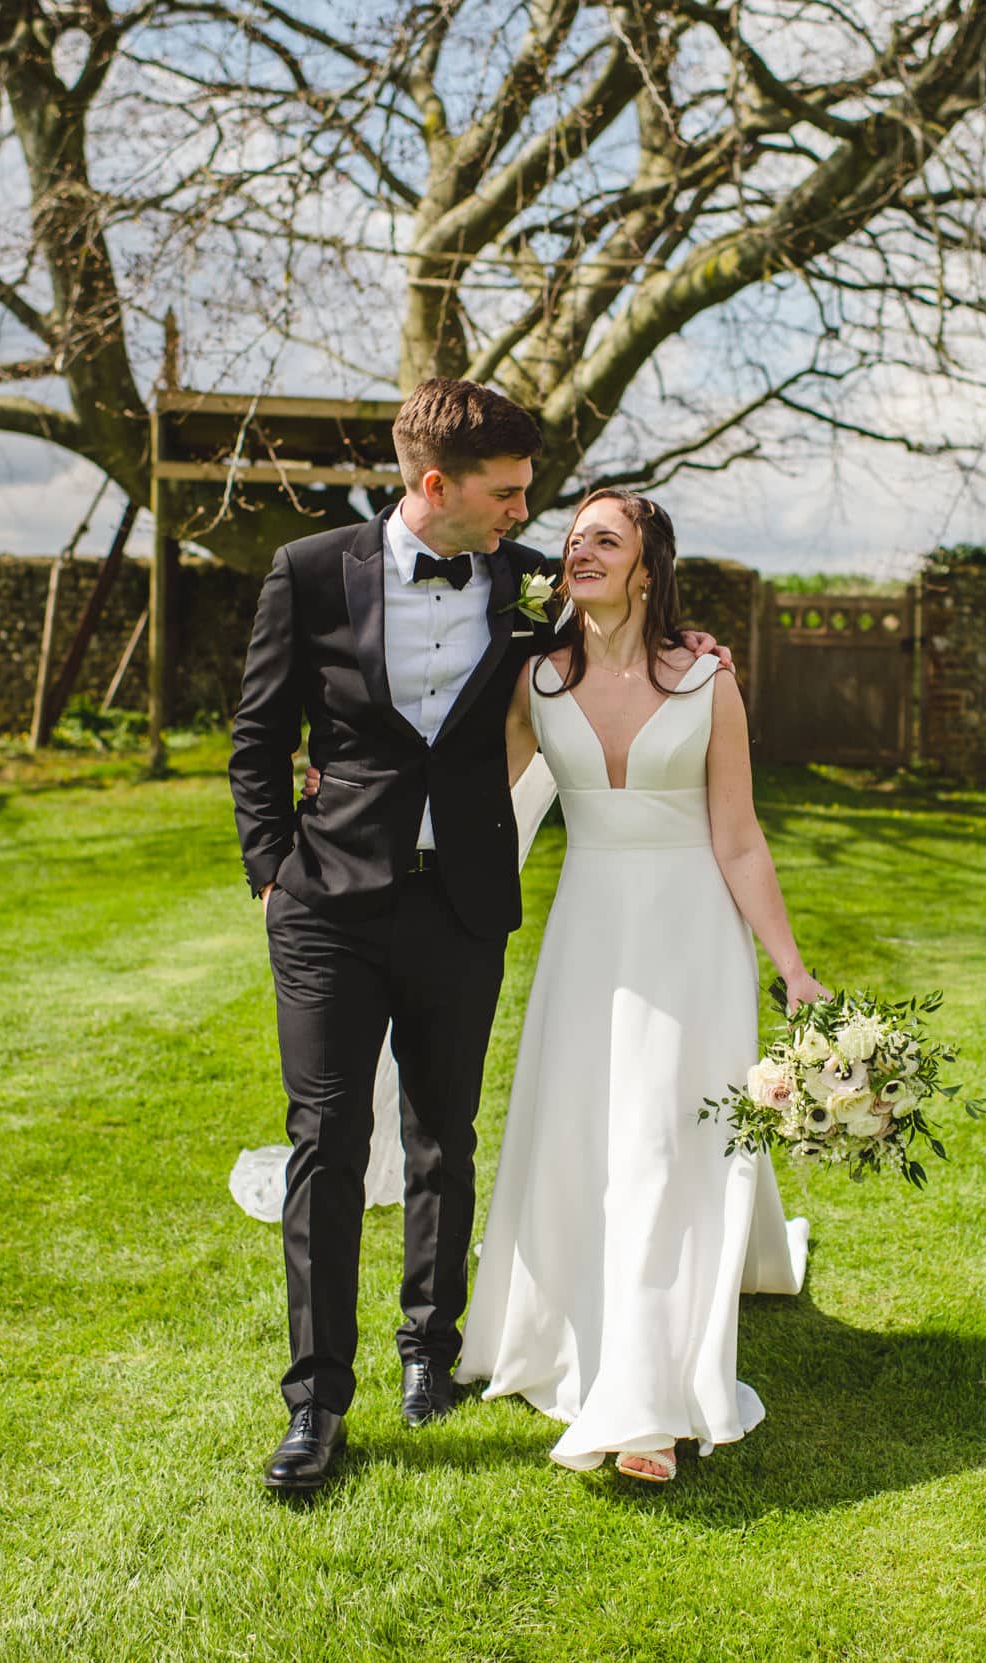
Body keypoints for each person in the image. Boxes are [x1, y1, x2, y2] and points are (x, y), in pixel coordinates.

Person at [227, 380, 727, 1496]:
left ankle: (427, 1354)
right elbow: (256, 736)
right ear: (434, 484)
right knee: (326, 1140)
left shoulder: (523, 584)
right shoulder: (311, 573)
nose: (522, 513)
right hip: (326, 905)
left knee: (444, 1133)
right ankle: (316, 1405)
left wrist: (693, 646)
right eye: (504, 493)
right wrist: (270, 875)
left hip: (461, 899)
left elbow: (615, 639)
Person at [457, 486, 819, 1483]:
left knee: (663, 1146)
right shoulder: (534, 679)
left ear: (647, 569)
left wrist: (791, 967)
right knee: (589, 1139)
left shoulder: (708, 681)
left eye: (602, 540)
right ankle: (567, 1332)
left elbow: (738, 839)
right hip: (588, 940)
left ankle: (647, 1403)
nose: (579, 551)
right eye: (572, 539)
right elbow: (476, 795)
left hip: (690, 937)